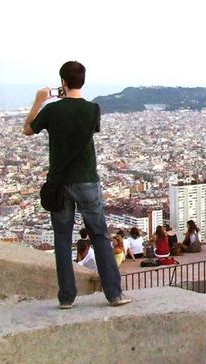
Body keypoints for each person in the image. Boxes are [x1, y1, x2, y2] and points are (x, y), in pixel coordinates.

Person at [23, 61, 130, 308]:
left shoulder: (52, 110)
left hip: (60, 182)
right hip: (87, 181)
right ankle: (114, 294)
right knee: (100, 236)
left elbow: (27, 130)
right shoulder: (93, 110)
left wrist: (40, 100)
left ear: (63, 82)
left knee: (62, 238)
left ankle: (67, 298)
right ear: (83, 81)